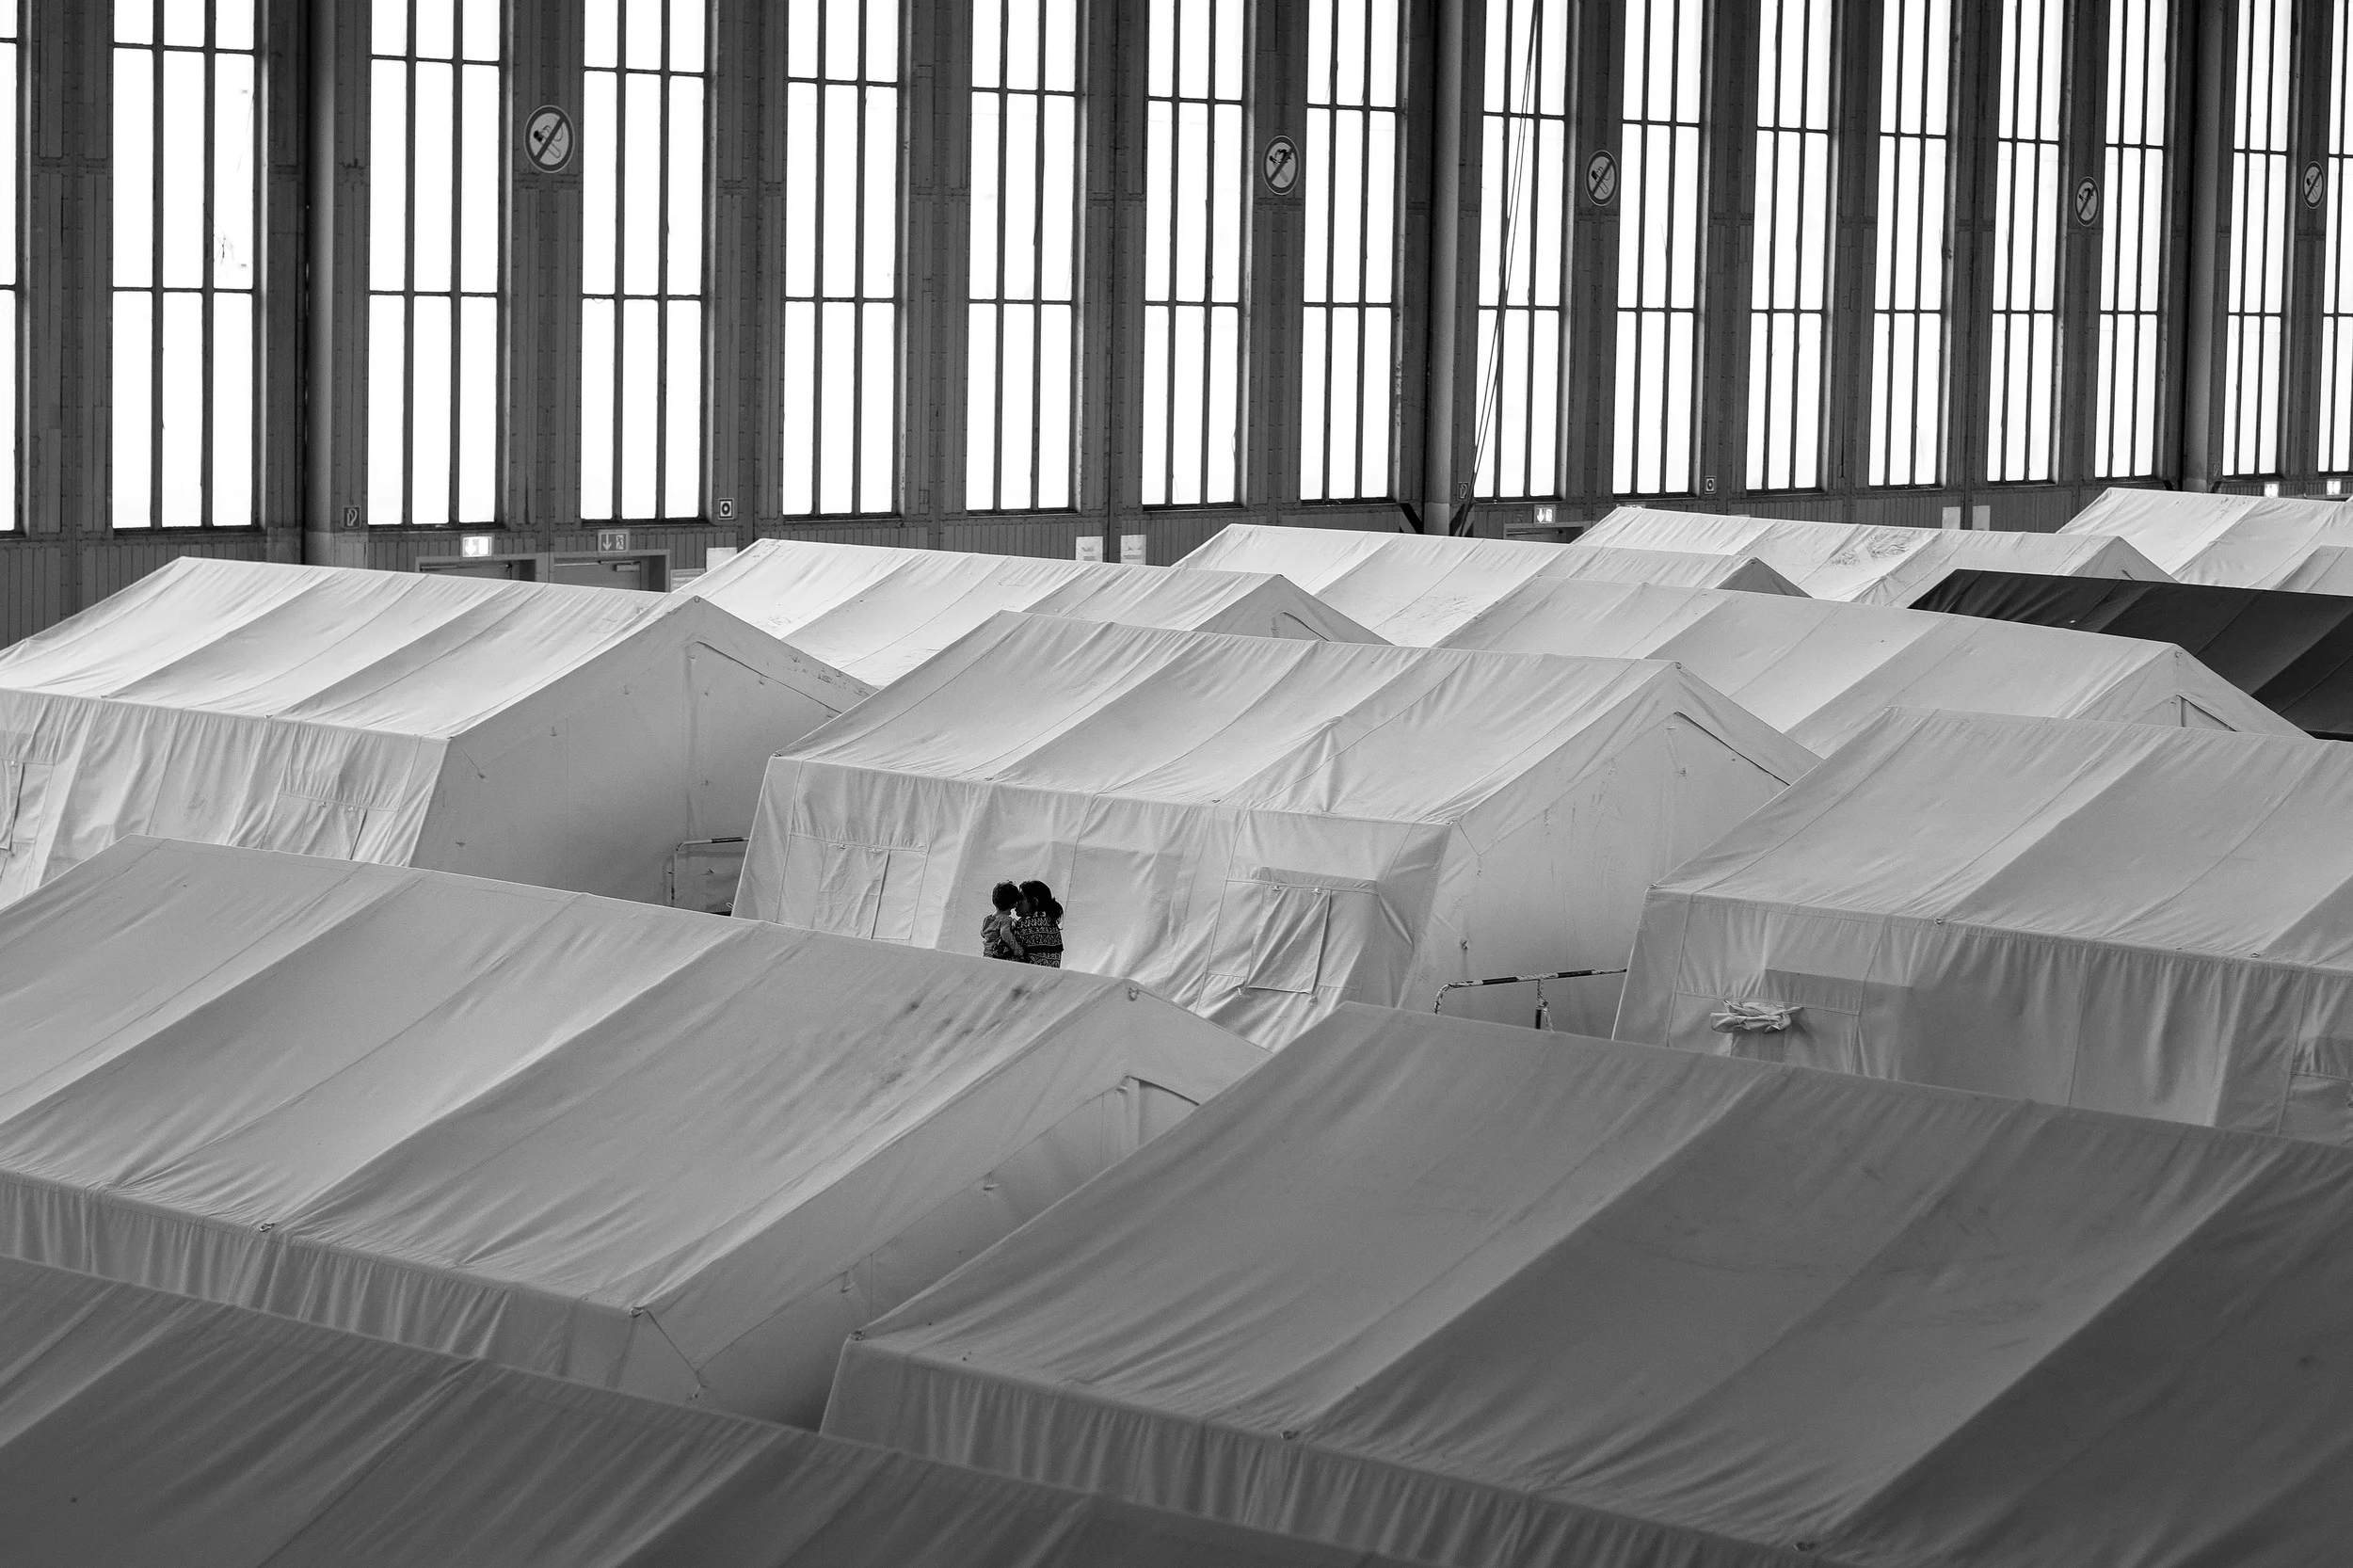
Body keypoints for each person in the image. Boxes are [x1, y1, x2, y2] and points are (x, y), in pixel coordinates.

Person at [1014, 880, 1064, 968]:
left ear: (1034, 902)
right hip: (1048, 979)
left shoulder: (1023, 925)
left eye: (1021, 898)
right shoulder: (1053, 925)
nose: (1016, 902)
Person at [982, 882, 1026, 961]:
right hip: (997, 956)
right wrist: (1018, 950)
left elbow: (983, 933)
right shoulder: (1005, 919)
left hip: (986, 954)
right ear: (1013, 904)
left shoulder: (987, 918)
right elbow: (1005, 934)